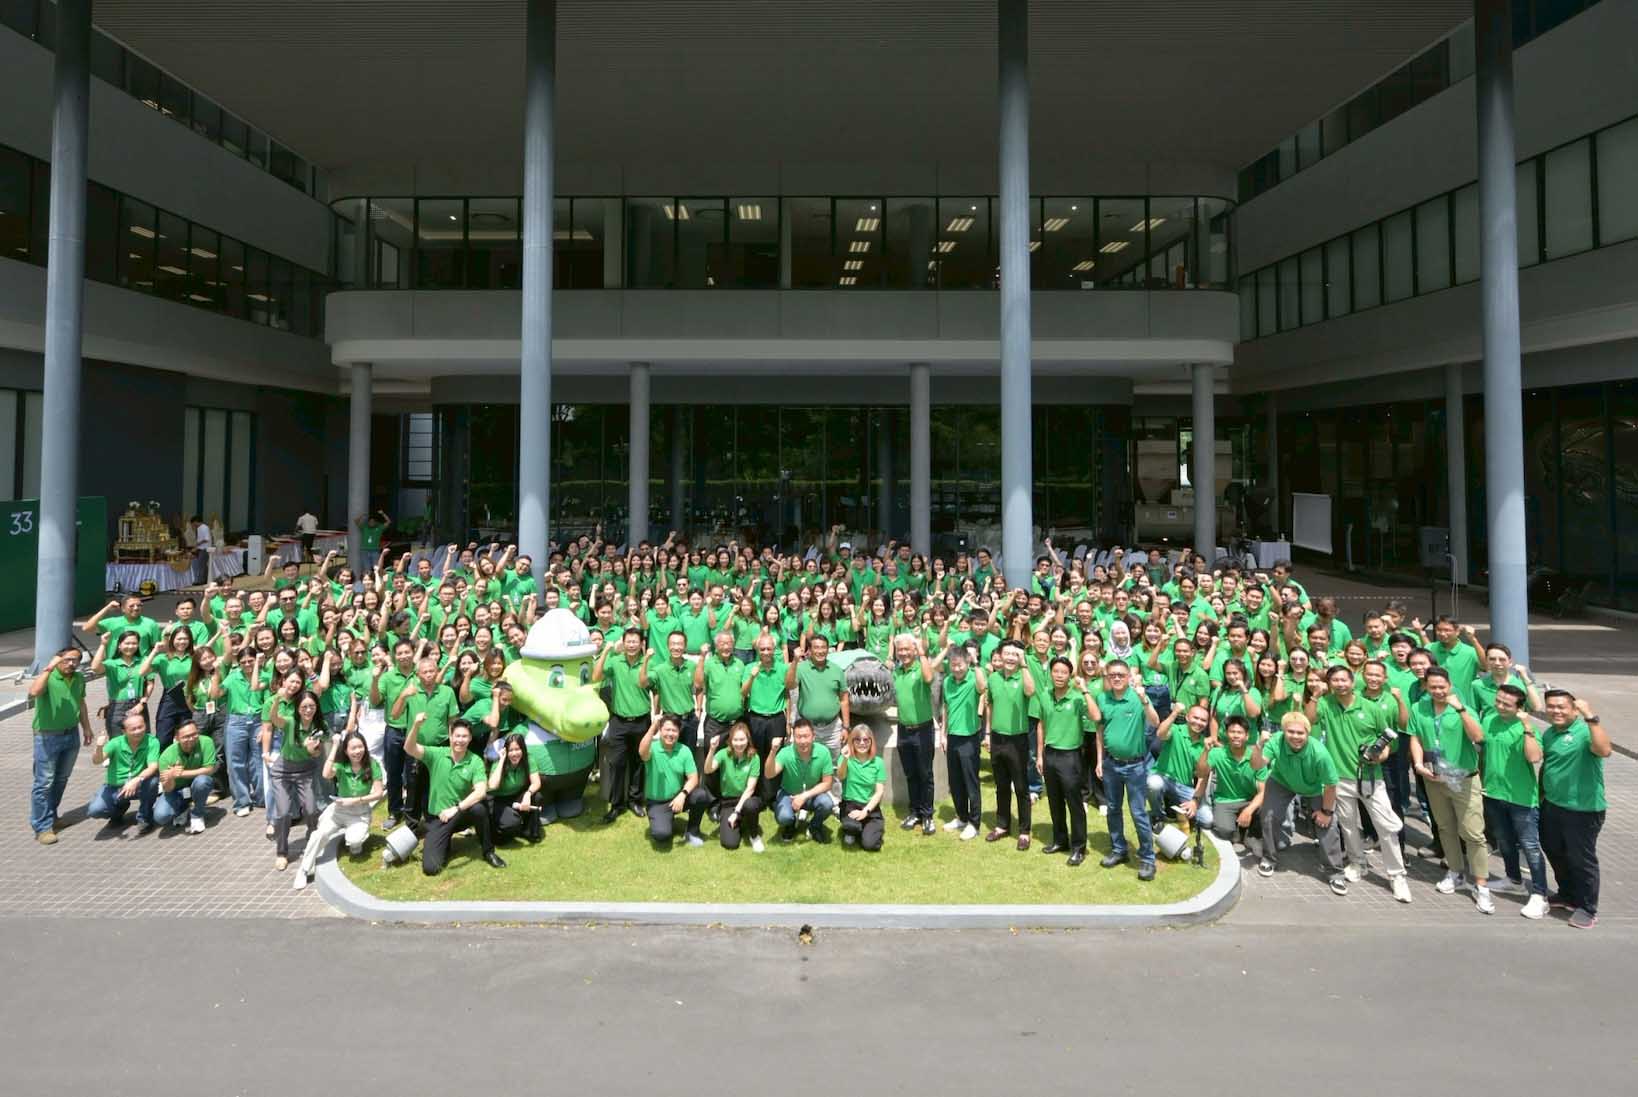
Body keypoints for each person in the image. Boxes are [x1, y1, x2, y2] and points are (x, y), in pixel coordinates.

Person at [1308, 664, 1411, 902]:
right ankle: (1357, 863)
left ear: (1353, 682)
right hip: (1339, 777)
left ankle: (1397, 875)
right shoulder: (1326, 703)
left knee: (1385, 826)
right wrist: (1315, 695)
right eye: (1335, 680)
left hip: (1370, 777)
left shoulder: (1370, 707)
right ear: (1330, 683)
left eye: (1344, 680)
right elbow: (1309, 719)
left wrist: (1382, 755)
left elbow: (1388, 738)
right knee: (1348, 824)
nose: (1340, 684)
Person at [1407, 666, 1493, 913]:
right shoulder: (1419, 708)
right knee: (1445, 827)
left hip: (1463, 778)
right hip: (1434, 778)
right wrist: (1418, 764)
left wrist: (1461, 710)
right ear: (1426, 687)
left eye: (1442, 687)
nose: (1438, 691)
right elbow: (1416, 737)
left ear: (1450, 686)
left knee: (1472, 832)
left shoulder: (1462, 708)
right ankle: (1455, 872)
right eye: (1433, 687)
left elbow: (1478, 737)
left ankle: (1481, 885)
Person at [1538, 689, 1611, 929]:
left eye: (1561, 707)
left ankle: (1588, 908)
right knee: (1554, 849)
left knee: (1581, 859)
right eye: (1551, 706)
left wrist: (1591, 717)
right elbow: (1547, 765)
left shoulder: (1585, 731)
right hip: (1553, 804)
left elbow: (1604, 750)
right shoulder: (1550, 733)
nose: (1555, 711)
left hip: (1583, 810)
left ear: (1574, 709)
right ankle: (1568, 894)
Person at [1252, 712, 1346, 895]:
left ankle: (1335, 872)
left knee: (1328, 825)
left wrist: (1326, 812)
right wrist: (1259, 745)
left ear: (1308, 733)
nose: (1295, 736)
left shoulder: (1320, 753)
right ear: (1283, 731)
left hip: (1314, 787)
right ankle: (1269, 858)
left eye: (1300, 733)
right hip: (1282, 781)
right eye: (1290, 732)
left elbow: (1331, 785)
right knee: (1268, 816)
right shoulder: (1276, 741)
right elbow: (1257, 765)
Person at [1480, 684, 1548, 918]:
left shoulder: (1526, 728)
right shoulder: (1489, 719)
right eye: (1498, 701)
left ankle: (1539, 894)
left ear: (1520, 708)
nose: (1500, 706)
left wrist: (1527, 727)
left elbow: (1534, 757)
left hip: (1522, 798)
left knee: (1530, 846)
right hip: (1493, 793)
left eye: (1506, 704)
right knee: (1504, 841)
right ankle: (1514, 880)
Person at [405, 715, 504, 874]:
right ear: (450, 736)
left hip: (460, 813)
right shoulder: (436, 754)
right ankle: (443, 842)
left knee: (479, 808)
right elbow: (409, 748)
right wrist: (416, 726)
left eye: (464, 736)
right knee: (431, 868)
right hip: (439, 817)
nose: (460, 740)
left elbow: (481, 791)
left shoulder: (475, 761)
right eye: (457, 736)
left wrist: (456, 808)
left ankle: (488, 851)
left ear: (470, 738)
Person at [1092, 660, 1160, 880]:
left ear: (1129, 676)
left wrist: (1144, 700)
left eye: (1121, 674)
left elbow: (1155, 722)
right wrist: (1100, 761)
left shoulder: (1138, 697)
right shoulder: (1103, 698)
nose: (1116, 678)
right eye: (1112, 675)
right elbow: (1100, 732)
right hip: (1111, 764)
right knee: (1113, 808)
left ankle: (1148, 859)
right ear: (1107, 677)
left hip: (1135, 767)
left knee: (1138, 812)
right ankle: (1119, 849)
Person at [294, 730, 384, 890]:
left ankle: (354, 843)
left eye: (360, 747)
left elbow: (378, 793)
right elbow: (326, 774)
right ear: (346, 751)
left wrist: (355, 800)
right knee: (318, 835)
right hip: (338, 811)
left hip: (359, 813)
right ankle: (304, 869)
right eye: (353, 748)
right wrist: (335, 746)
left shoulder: (372, 764)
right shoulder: (342, 764)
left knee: (354, 841)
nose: (357, 751)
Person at [1035, 656, 1098, 866]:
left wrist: (1085, 690)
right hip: (1050, 754)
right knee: (1054, 801)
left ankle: (1079, 847)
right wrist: (1040, 754)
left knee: (1074, 803)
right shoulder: (1044, 695)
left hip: (1071, 757)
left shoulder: (1077, 697)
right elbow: (1041, 724)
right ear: (1051, 673)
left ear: (1070, 675)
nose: (1059, 676)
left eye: (1064, 672)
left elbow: (1096, 717)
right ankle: (1060, 840)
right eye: (1056, 671)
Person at [27, 647, 93, 845]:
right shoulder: (49, 676)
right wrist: (49, 667)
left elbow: (81, 703)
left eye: (76, 660)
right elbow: (34, 692)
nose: (71, 663)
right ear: (57, 660)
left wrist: (86, 728)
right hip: (47, 736)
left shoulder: (78, 678)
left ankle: (52, 816)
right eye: (67, 659)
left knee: (61, 779)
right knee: (44, 783)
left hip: (71, 734)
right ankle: (42, 827)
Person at [593, 627, 652, 823]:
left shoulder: (648, 662)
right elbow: (596, 676)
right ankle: (617, 804)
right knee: (617, 763)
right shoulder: (616, 661)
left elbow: (651, 686)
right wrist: (606, 651)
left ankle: (635, 801)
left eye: (635, 641)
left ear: (641, 644)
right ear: (623, 643)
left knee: (638, 763)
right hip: (618, 721)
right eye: (628, 641)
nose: (632, 645)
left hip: (641, 721)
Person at [263, 685, 324, 871]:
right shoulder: (290, 722)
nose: (308, 710)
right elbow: (274, 718)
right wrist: (277, 699)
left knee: (312, 810)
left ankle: (313, 843)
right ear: (298, 708)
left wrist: (312, 750)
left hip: (305, 772)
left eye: (312, 706)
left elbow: (318, 752)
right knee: (283, 813)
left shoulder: (319, 726)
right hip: (282, 772)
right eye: (304, 707)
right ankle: (282, 852)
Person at [984, 640, 1036, 850]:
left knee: (1021, 787)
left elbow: (1030, 692)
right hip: (997, 738)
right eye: (1007, 654)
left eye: (1015, 654)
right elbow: (990, 705)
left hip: (1017, 740)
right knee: (1001, 785)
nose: (1010, 658)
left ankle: (1024, 831)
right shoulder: (993, 678)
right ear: (1000, 655)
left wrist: (1024, 664)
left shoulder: (1023, 676)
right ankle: (1002, 825)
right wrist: (988, 732)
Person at [1187, 714, 1265, 851]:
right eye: (1232, 732)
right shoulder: (1217, 753)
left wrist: (1249, 810)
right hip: (1225, 800)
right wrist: (1205, 751)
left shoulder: (1256, 757)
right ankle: (1238, 831)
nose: (1236, 735)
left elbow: (1263, 792)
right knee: (1224, 831)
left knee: (1265, 809)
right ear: (1226, 734)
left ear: (1247, 736)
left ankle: (1250, 834)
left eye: (1240, 732)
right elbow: (1200, 773)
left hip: (1249, 800)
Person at [890, 633, 939, 835]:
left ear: (913, 649)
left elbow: (929, 678)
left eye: (906, 649)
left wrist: (922, 653)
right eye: (900, 649)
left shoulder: (921, 667)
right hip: (904, 729)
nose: (903, 653)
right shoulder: (896, 672)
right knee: (910, 773)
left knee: (925, 774)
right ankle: (915, 812)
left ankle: (927, 815)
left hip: (923, 729)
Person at [692, 722, 766, 851]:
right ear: (730, 740)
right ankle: (740, 821)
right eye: (735, 740)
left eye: (742, 739)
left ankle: (754, 836)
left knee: (750, 806)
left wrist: (736, 812)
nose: (739, 743)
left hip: (747, 799)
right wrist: (712, 749)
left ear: (748, 740)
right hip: (728, 802)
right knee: (730, 843)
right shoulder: (723, 753)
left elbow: (750, 789)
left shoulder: (754, 757)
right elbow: (708, 770)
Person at [938, 645, 986, 840]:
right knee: (955, 781)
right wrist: (943, 734)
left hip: (969, 737)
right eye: (953, 665)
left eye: (960, 665)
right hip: (952, 736)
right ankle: (961, 817)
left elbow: (983, 688)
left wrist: (976, 662)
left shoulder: (974, 677)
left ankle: (974, 823)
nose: (956, 669)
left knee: (970, 782)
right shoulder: (947, 681)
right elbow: (946, 708)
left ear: (967, 663)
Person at [765, 718, 837, 842]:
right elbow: (769, 774)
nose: (803, 741)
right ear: (793, 738)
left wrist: (804, 796)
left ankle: (814, 826)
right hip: (789, 794)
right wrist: (773, 751)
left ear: (813, 736)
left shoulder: (823, 752)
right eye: (798, 737)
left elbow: (827, 783)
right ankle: (790, 824)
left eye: (806, 736)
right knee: (783, 817)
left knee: (827, 804)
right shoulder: (785, 753)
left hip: (812, 795)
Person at [86, 710, 160, 830]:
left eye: (140, 727)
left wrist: (136, 780)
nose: (138, 731)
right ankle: (118, 812)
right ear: (124, 731)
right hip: (115, 786)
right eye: (133, 729)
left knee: (152, 782)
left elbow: (153, 766)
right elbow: (97, 760)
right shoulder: (116, 743)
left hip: (138, 785)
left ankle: (145, 817)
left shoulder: (152, 741)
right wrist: (99, 746)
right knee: (95, 810)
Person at [638, 714, 701, 847]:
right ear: (660, 731)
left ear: (679, 733)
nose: (670, 734)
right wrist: (653, 727)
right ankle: (666, 819)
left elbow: (694, 778)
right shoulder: (652, 748)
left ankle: (692, 832)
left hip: (678, 797)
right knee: (661, 835)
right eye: (667, 730)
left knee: (701, 796)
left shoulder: (684, 750)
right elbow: (642, 752)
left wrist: (683, 795)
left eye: (674, 730)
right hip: (657, 802)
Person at [787, 633, 849, 755]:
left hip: (832, 729)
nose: (820, 651)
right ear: (809, 650)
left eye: (823, 647)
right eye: (816, 647)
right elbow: (789, 685)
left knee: (833, 762)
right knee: (807, 761)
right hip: (808, 728)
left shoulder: (837, 670)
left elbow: (844, 700)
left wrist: (846, 727)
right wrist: (794, 661)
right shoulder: (801, 668)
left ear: (828, 649)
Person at [153, 720, 217, 833]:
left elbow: (209, 770)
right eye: (186, 737)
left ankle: (197, 814)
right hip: (176, 790)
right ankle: (182, 809)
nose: (191, 739)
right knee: (161, 816)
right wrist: (170, 777)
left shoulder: (206, 742)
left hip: (196, 785)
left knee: (203, 781)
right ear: (176, 738)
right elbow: (168, 789)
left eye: (194, 734)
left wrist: (181, 773)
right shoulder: (166, 756)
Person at [836, 723, 887, 851]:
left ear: (871, 741)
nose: (862, 743)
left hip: (869, 808)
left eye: (866, 740)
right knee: (851, 825)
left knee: (870, 845)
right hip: (850, 805)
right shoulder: (846, 759)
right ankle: (853, 830)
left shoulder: (878, 762)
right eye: (857, 740)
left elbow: (879, 792)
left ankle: (869, 829)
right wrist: (845, 759)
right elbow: (841, 776)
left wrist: (865, 812)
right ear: (852, 742)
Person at [487, 732, 543, 846]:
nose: (514, 754)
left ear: (523, 749)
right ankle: (498, 833)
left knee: (537, 796)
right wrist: (502, 760)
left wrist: (528, 794)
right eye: (510, 750)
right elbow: (492, 785)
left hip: (515, 796)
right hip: (497, 800)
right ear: (505, 751)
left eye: (517, 749)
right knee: (513, 823)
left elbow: (536, 782)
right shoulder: (498, 762)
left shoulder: (528, 759)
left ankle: (528, 831)